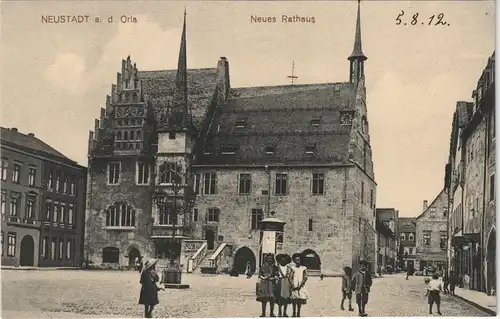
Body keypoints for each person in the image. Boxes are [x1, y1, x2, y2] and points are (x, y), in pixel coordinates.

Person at [290, 253, 308, 317]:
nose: (297, 261)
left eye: (298, 260)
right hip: (294, 285)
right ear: (294, 261)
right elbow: (291, 277)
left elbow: (305, 277)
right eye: (296, 260)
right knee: (294, 299)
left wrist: (301, 284)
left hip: (300, 285)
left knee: (299, 300)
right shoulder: (293, 268)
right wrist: (292, 284)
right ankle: (294, 312)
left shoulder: (303, 268)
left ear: (301, 260)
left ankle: (298, 312)